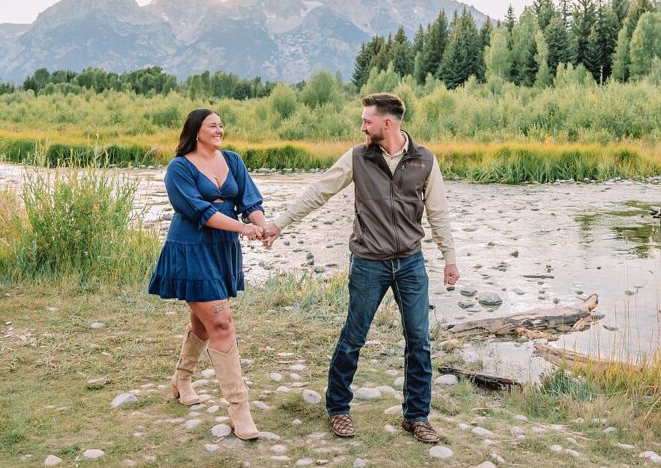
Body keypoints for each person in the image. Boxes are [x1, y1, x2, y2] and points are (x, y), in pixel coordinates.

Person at [264, 92, 459, 444]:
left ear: (388, 123)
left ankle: (416, 416)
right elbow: (318, 191)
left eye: (367, 120)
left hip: (411, 263)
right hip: (368, 262)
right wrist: (280, 223)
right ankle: (338, 407)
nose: (362, 126)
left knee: (419, 340)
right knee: (354, 336)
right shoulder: (357, 158)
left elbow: (439, 213)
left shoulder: (424, 161)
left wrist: (450, 258)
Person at [148, 108, 269, 440]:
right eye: (212, 126)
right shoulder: (179, 168)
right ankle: (239, 410)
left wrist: (261, 227)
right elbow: (200, 212)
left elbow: (250, 200)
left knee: (204, 321)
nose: (219, 130)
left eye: (221, 125)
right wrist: (244, 229)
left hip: (222, 249)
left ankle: (181, 379)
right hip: (191, 249)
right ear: (196, 131)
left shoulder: (232, 159)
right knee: (221, 322)